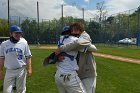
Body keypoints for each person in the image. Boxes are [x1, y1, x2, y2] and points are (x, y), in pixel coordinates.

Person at [55, 22, 97, 93]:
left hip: (87, 73)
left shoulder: (80, 40)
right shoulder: (71, 41)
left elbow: (93, 48)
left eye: (75, 30)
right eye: (71, 31)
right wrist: (58, 57)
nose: (72, 33)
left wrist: (62, 49)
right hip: (76, 73)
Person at [0, 25, 32, 93]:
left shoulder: (24, 42)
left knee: (21, 90)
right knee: (6, 91)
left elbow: (28, 56)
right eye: (16, 33)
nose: (18, 35)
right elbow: (1, 58)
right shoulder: (4, 44)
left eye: (19, 33)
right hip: (9, 71)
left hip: (21, 70)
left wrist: (29, 68)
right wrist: (0, 71)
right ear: (11, 33)